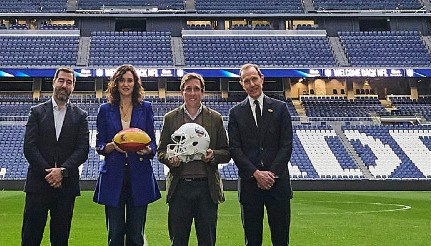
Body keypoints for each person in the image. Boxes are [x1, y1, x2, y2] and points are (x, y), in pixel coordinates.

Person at [157, 72, 231, 246]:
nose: (192, 93)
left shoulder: (215, 118)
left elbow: (226, 152)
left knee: (207, 241)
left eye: (196, 89)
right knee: (178, 240)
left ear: (203, 92)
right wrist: (170, 159)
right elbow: (161, 151)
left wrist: (213, 155)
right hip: (180, 187)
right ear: (182, 91)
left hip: (206, 187)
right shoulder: (170, 118)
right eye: (188, 89)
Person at [94, 64, 161, 246]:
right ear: (115, 84)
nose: (125, 84)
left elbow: (153, 143)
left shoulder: (145, 108)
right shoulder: (105, 109)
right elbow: (99, 145)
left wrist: (147, 150)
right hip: (113, 177)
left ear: (135, 84)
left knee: (136, 234)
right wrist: (112, 146)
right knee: (115, 233)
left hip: (139, 176)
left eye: (129, 80)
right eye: (122, 80)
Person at [21, 67, 90, 246]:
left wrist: (63, 171)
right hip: (38, 185)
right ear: (53, 82)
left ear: (73, 87)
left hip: (66, 188)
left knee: (60, 240)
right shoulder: (36, 112)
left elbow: (82, 150)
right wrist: (50, 173)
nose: (64, 85)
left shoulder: (80, 116)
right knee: (30, 238)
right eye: (61, 80)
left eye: (69, 82)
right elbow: (29, 147)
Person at [227, 62, 293, 246]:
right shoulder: (235, 113)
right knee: (252, 240)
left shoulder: (281, 108)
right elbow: (235, 149)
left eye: (254, 79)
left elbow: (286, 145)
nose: (252, 84)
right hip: (250, 185)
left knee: (281, 240)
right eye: (246, 81)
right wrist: (256, 174)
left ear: (262, 79)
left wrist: (270, 174)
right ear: (242, 84)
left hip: (278, 184)